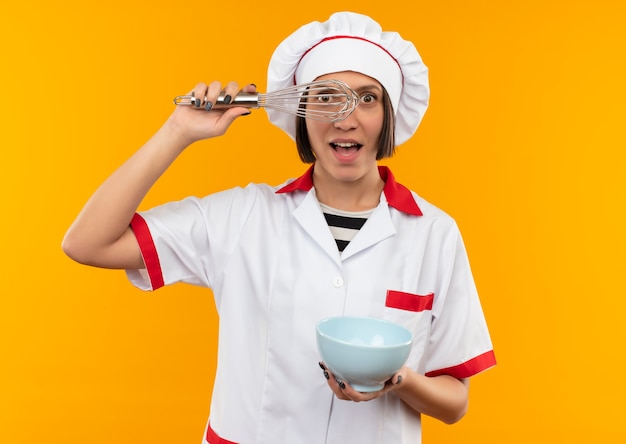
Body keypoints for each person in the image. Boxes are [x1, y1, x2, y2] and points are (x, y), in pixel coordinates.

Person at [63, 11, 495, 444]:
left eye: (367, 99)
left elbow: (455, 401)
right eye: (327, 97)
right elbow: (88, 244)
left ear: (389, 115)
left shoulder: (434, 234)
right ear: (302, 113)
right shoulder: (243, 216)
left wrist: (398, 380)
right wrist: (178, 130)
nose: (346, 119)